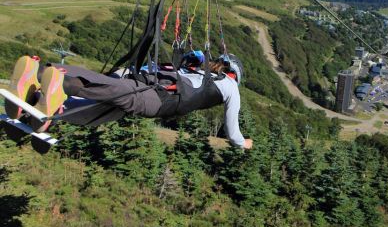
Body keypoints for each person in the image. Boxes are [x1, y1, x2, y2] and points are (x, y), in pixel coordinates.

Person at [5, 54, 253, 150]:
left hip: (144, 78)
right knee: (106, 91)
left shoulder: (197, 68)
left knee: (105, 109)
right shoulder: (230, 87)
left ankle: (44, 108)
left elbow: (179, 64)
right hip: (155, 98)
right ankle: (49, 79)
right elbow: (233, 134)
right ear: (235, 75)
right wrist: (244, 144)